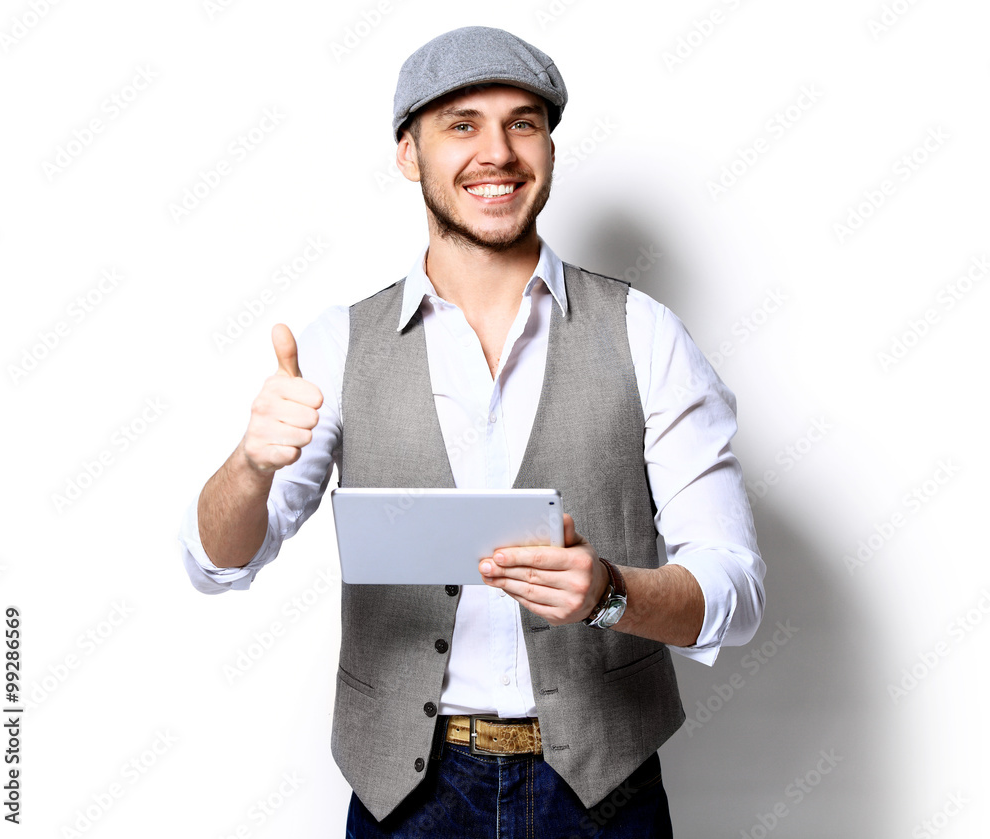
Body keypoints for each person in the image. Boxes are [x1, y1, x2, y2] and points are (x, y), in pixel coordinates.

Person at [179, 26, 765, 837]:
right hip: (406, 801)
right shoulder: (337, 343)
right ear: (408, 153)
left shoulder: (646, 334)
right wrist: (248, 465)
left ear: (549, 148)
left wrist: (611, 593)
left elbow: (735, 592)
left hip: (606, 797)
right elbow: (216, 561)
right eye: (462, 124)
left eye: (523, 122)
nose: (498, 151)